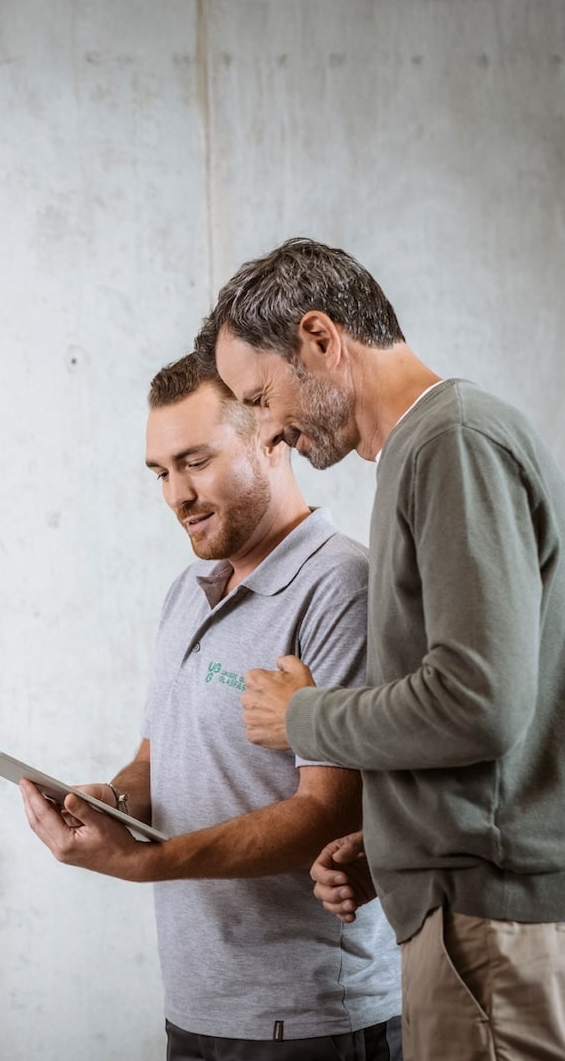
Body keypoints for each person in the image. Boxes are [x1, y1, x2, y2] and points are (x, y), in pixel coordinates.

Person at [203, 236, 565, 1061]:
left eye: (260, 399)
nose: (267, 435)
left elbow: (478, 702)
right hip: (470, 912)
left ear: (322, 339)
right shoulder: (426, 452)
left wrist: (303, 718)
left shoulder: (452, 444)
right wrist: (401, 843)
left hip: (489, 927)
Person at [21, 352, 401, 1060]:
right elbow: (154, 758)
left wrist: (148, 863)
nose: (176, 495)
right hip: (198, 1002)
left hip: (311, 1017)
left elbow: (332, 809)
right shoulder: (188, 590)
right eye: (161, 472)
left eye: (195, 462)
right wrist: (111, 801)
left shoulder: (342, 586)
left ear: (271, 437)